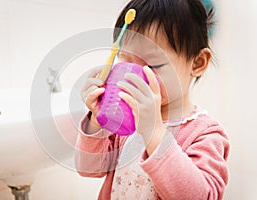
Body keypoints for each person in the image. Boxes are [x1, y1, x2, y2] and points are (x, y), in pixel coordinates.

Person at [75, 0, 230, 199]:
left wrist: (154, 131)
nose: (134, 76)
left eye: (153, 65)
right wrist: (96, 121)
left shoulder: (205, 134)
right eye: (126, 60)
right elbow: (88, 168)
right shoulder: (125, 117)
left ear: (197, 63)